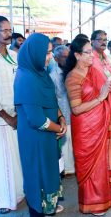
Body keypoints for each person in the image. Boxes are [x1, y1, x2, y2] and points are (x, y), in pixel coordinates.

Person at [64, 37, 111, 215]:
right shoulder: (73, 77)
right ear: (77, 55)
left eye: (91, 52)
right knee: (89, 167)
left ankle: (102, 200)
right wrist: (100, 98)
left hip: (99, 125)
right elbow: (76, 108)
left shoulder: (94, 71)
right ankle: (91, 202)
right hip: (85, 128)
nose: (91, 55)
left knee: (101, 164)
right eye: (87, 53)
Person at [14, 33, 66, 216]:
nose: (50, 57)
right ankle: (38, 210)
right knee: (37, 177)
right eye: (47, 53)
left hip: (47, 134)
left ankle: (47, 208)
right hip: (35, 138)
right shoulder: (26, 77)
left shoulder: (39, 72)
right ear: (35, 53)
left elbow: (51, 99)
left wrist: (61, 118)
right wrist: (59, 128)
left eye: (51, 52)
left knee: (48, 174)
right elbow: (36, 119)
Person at [0, 15, 24, 214]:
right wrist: (7, 117)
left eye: (10, 30)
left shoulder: (14, 55)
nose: (9, 34)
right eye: (4, 30)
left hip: (17, 116)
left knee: (16, 159)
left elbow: (19, 85)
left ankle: (17, 193)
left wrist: (18, 112)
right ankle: (4, 200)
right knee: (3, 161)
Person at [91, 30, 111, 186]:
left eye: (105, 39)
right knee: (103, 146)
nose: (103, 42)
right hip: (101, 108)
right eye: (100, 40)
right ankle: (101, 179)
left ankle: (109, 178)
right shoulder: (92, 59)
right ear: (92, 41)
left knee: (110, 145)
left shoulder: (104, 58)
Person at [48, 45, 75, 175]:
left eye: (68, 56)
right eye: (64, 57)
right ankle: (67, 169)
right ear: (56, 59)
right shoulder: (53, 75)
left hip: (74, 113)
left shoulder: (72, 72)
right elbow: (52, 98)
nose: (67, 59)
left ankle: (73, 167)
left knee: (73, 142)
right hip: (63, 115)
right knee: (65, 143)